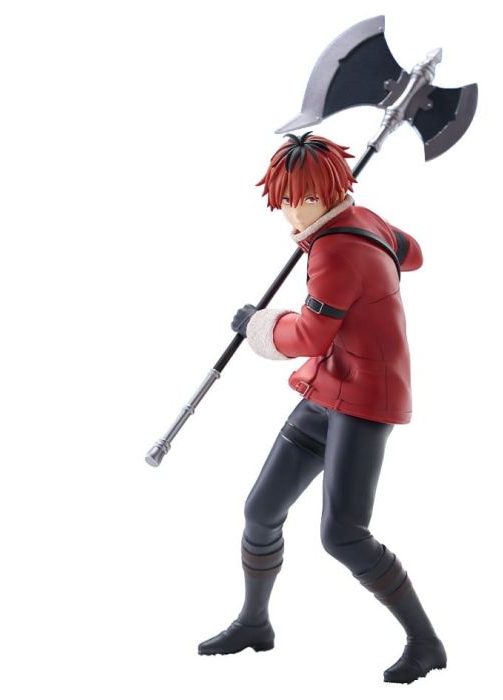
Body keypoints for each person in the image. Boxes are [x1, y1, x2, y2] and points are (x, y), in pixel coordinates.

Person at [197, 132, 446, 684]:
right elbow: (413, 253)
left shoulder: (336, 249)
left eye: (303, 198)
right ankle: (254, 623)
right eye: (285, 199)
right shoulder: (357, 222)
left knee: (343, 534)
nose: (292, 212)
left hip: (365, 399)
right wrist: (360, 230)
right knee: (261, 510)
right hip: (327, 387)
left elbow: (308, 335)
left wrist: (257, 325)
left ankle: (426, 643)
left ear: (329, 190)